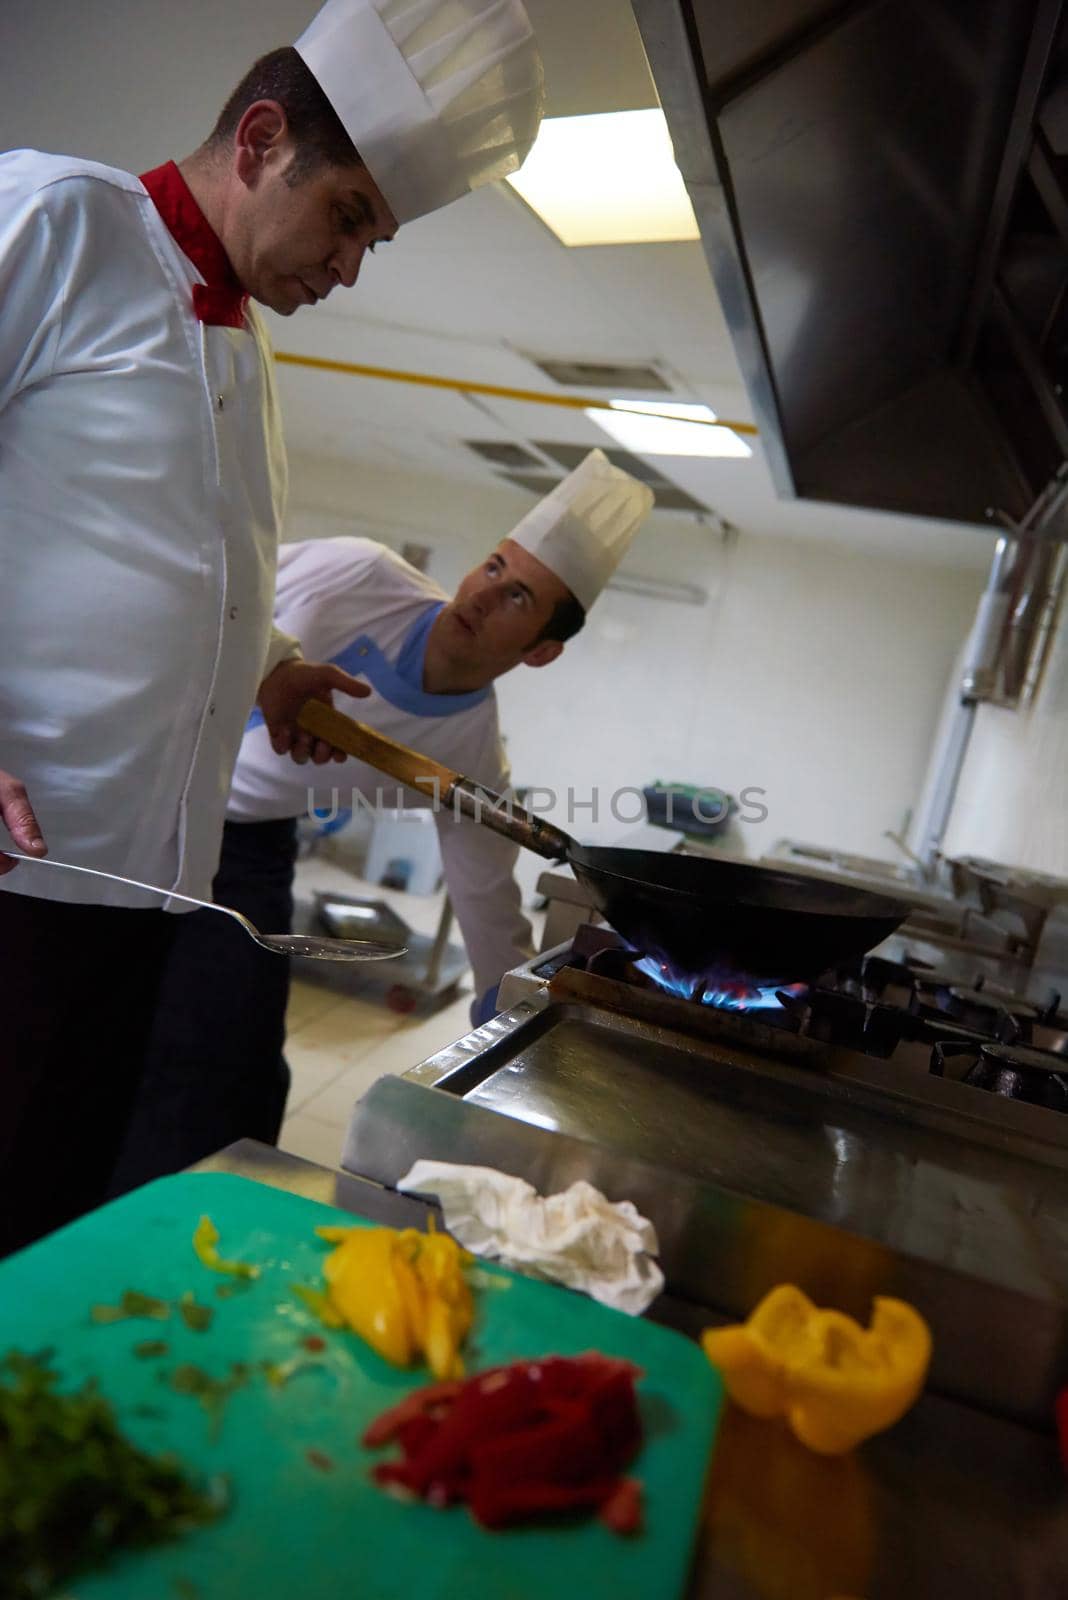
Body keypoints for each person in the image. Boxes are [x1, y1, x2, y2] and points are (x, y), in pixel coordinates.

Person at [0, 0, 545, 1255]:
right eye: (349, 214)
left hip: (144, 909)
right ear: (258, 141)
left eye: (375, 238)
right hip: (19, 881)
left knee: (49, 1229)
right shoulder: (58, 220)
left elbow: (185, 580)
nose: (352, 265)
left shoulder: (245, 359)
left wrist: (272, 673)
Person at [110, 450, 654, 1188]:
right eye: (494, 567)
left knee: (229, 1064)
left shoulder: (469, 755)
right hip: (134, 775)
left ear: (542, 652)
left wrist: (528, 1041)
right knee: (88, 1005)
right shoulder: (359, 573)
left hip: (242, 846)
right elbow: (212, 589)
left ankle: (171, 1224)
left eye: (520, 598)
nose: (485, 596)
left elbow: (490, 913)